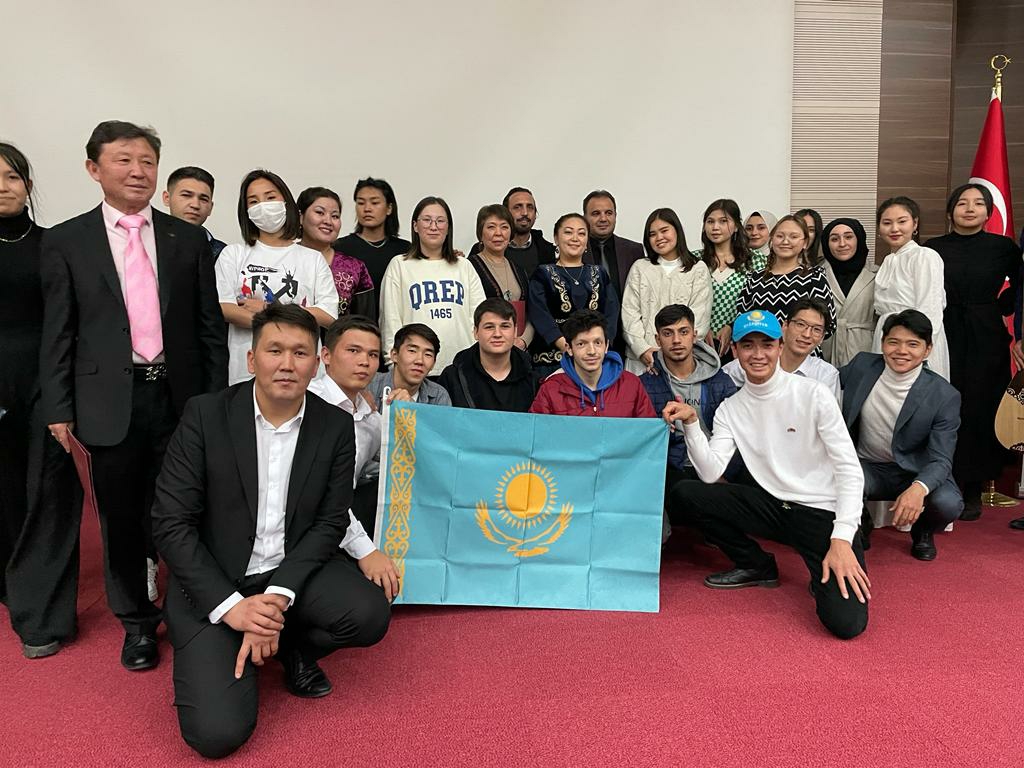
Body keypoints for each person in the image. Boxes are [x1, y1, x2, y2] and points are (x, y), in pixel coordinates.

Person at [151, 304, 390, 759]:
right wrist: (234, 609)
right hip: (216, 583)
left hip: (289, 571)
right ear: (251, 359)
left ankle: (290, 646)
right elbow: (171, 522)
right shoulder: (205, 415)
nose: (287, 364)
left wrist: (277, 597)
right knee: (216, 735)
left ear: (316, 363)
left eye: (300, 353)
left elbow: (330, 521)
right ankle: (228, 645)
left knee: (369, 613)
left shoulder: (334, 425)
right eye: (274, 350)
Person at [36, 120, 227, 669]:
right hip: (106, 402)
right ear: (94, 169)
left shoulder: (187, 239)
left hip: (180, 397)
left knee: (186, 508)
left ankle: (191, 608)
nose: (138, 171)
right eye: (123, 160)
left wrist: (213, 400)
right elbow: (59, 332)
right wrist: (59, 408)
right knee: (119, 519)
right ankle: (138, 624)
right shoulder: (67, 240)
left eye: (147, 161)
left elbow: (209, 329)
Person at [664, 310, 869, 640]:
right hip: (772, 506)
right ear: (735, 351)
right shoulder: (731, 408)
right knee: (686, 493)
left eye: (766, 345)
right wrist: (691, 423)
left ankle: (822, 569)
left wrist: (843, 537)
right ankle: (756, 564)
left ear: (780, 346)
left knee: (846, 623)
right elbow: (710, 472)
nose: (757, 354)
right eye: (748, 346)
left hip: (820, 513)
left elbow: (848, 468)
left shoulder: (814, 393)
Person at [1, 143, 75, 659]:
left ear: (28, 184)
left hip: (49, 381)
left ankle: (42, 613)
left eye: (11, 176)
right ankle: (12, 578)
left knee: (49, 491)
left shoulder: (54, 245)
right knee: (5, 490)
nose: (3, 186)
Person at [925, 183, 1021, 520]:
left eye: (978, 203)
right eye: (962, 203)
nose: (970, 209)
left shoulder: (1003, 247)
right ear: (950, 211)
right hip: (944, 330)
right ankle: (942, 476)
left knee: (981, 405)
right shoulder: (932, 248)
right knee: (944, 403)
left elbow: (1020, 288)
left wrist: (999, 307)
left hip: (986, 333)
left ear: (988, 212)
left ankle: (974, 486)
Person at [840, 310, 963, 560]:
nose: (901, 351)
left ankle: (923, 532)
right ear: (882, 342)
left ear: (927, 350)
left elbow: (941, 459)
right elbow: (821, 383)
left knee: (949, 503)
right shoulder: (862, 366)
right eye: (893, 342)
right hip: (866, 467)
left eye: (913, 344)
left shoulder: (944, 395)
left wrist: (919, 488)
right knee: (831, 477)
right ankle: (861, 521)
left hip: (913, 472)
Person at [216, 170, 338, 385]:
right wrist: (294, 317)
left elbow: (328, 315)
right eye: (253, 201)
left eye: (270, 197)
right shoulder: (233, 254)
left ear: (286, 202)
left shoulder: (312, 259)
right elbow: (224, 307)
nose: (263, 205)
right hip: (246, 371)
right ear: (246, 211)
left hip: (303, 373)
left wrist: (268, 309)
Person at [306, 315, 401, 588]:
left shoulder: (368, 414)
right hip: (304, 524)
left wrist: (404, 414)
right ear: (326, 355)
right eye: (353, 351)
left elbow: (399, 458)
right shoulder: (309, 402)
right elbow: (322, 495)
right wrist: (365, 551)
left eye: (372, 354)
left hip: (342, 521)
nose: (364, 362)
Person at [639, 304, 736, 536]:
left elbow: (737, 435)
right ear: (657, 339)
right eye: (668, 333)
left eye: (683, 332)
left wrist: (724, 473)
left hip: (716, 462)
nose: (676, 340)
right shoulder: (645, 383)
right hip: (672, 467)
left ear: (695, 335)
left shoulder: (721, 381)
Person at [379, 196, 485, 373]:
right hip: (414, 370)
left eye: (440, 221)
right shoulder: (399, 265)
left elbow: (480, 318)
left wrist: (479, 363)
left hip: (463, 368)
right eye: (427, 220)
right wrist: (394, 367)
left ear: (448, 227)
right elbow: (390, 321)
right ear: (415, 226)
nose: (433, 227)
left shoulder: (464, 266)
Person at [621, 208, 712, 374]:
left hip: (682, 361)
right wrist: (643, 350)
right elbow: (629, 313)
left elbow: (700, 317)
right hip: (641, 362)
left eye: (664, 231)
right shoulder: (640, 267)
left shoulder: (697, 269)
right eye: (652, 234)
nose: (659, 238)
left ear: (677, 231)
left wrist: (671, 352)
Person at [528, 213, 620, 374]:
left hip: (595, 359)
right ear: (556, 238)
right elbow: (539, 313)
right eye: (568, 232)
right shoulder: (543, 273)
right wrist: (565, 346)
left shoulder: (599, 273)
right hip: (553, 360)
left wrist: (600, 345)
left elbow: (612, 312)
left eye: (581, 233)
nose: (575, 238)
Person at [873, 196, 949, 380]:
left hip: (915, 339)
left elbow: (930, 307)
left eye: (902, 221)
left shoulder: (925, 256)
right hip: (887, 335)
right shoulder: (887, 261)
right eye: (887, 223)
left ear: (915, 224)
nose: (894, 229)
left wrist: (918, 347)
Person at [529, 310, 655, 418]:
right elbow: (535, 433)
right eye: (581, 344)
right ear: (569, 348)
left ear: (606, 346)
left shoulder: (631, 384)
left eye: (597, 343)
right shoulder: (551, 389)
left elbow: (648, 431)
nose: (591, 351)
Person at [735, 215, 836, 333]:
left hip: (802, 344)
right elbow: (742, 319)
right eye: (779, 236)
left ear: (805, 243)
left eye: (794, 236)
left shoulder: (815, 277)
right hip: (761, 344)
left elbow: (829, 325)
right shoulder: (755, 278)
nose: (785, 241)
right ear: (771, 240)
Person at [724, 297, 840, 400]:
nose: (807, 334)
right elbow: (723, 378)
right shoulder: (758, 360)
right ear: (785, 326)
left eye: (816, 329)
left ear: (822, 338)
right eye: (800, 324)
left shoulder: (826, 375)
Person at [695, 199, 766, 358]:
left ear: (736, 226)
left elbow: (760, 304)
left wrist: (732, 327)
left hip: (741, 343)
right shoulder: (694, 260)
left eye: (723, 221)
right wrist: (701, 328)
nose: (715, 227)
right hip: (698, 345)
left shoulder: (756, 261)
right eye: (710, 222)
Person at [438, 298, 537, 412]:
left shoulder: (533, 381)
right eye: (489, 327)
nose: (497, 334)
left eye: (505, 326)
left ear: (515, 331)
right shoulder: (452, 378)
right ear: (476, 332)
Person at [334, 178, 410, 319]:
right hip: (353, 326)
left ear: (389, 208)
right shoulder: (340, 248)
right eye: (360, 203)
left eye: (374, 203)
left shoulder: (406, 250)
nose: (367, 209)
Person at [297, 186, 374, 318]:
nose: (328, 221)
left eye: (335, 216)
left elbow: (365, 322)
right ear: (300, 217)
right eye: (320, 213)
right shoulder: (284, 259)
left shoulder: (355, 268)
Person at [467, 204, 533, 350]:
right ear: (480, 233)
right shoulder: (469, 267)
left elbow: (531, 312)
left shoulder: (519, 270)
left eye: (504, 227)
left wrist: (523, 341)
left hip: (518, 350)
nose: (498, 233)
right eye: (491, 227)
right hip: (484, 349)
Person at [820, 217, 877, 367]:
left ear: (859, 239)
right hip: (824, 349)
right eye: (834, 239)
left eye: (849, 237)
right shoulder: (815, 275)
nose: (842, 244)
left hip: (865, 349)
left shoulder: (879, 274)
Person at [469, 187, 557, 277]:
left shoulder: (548, 251)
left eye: (530, 207)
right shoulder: (481, 249)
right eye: (517, 207)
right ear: (505, 213)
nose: (525, 213)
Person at [581, 190, 645, 300]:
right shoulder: (575, 250)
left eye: (609, 213)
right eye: (596, 213)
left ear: (615, 215)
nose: (603, 219)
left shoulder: (634, 251)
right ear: (584, 218)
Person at [368, 323, 452, 406]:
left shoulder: (439, 396)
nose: (420, 361)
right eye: (412, 351)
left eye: (428, 354)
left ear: (433, 363)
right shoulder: (369, 385)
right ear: (394, 355)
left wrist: (413, 410)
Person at [162, 166, 227, 258]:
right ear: (167, 198)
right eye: (186, 195)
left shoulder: (224, 254)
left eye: (203, 199)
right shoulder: (148, 243)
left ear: (210, 208)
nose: (195, 205)